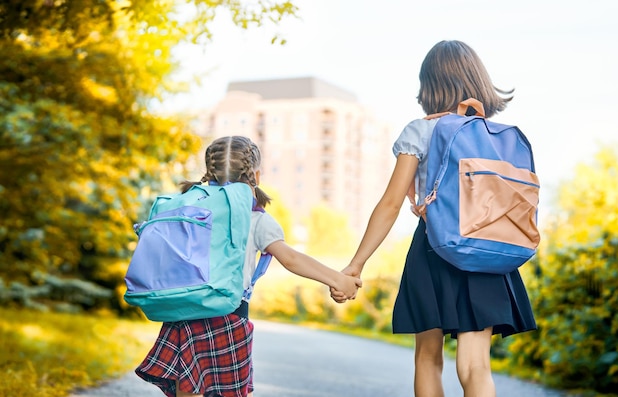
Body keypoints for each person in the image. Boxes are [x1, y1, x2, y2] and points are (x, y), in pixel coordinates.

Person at [331, 40, 537, 397]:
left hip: (436, 249)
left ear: (429, 84)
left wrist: (356, 264)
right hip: (490, 250)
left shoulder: (421, 130)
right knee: (477, 365)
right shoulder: (496, 136)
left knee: (428, 358)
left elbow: (391, 203)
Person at [135, 135, 362, 397]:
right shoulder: (255, 219)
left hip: (183, 315)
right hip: (229, 318)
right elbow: (291, 259)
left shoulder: (188, 209)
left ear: (209, 172)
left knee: (188, 391)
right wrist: (338, 280)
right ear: (256, 175)